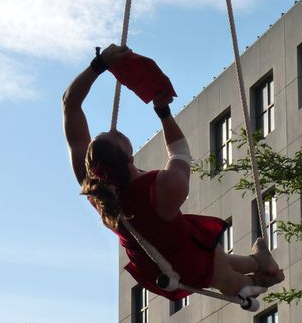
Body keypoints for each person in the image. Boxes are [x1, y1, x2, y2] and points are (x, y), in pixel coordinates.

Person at [62, 44, 283, 302]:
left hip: (163, 261)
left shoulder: (96, 190)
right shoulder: (160, 189)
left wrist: (99, 65)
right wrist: (163, 112)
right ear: (129, 155)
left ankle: (260, 262)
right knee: (228, 278)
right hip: (188, 260)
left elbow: (70, 104)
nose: (113, 130)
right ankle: (254, 283)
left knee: (222, 259)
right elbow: (179, 154)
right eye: (116, 136)